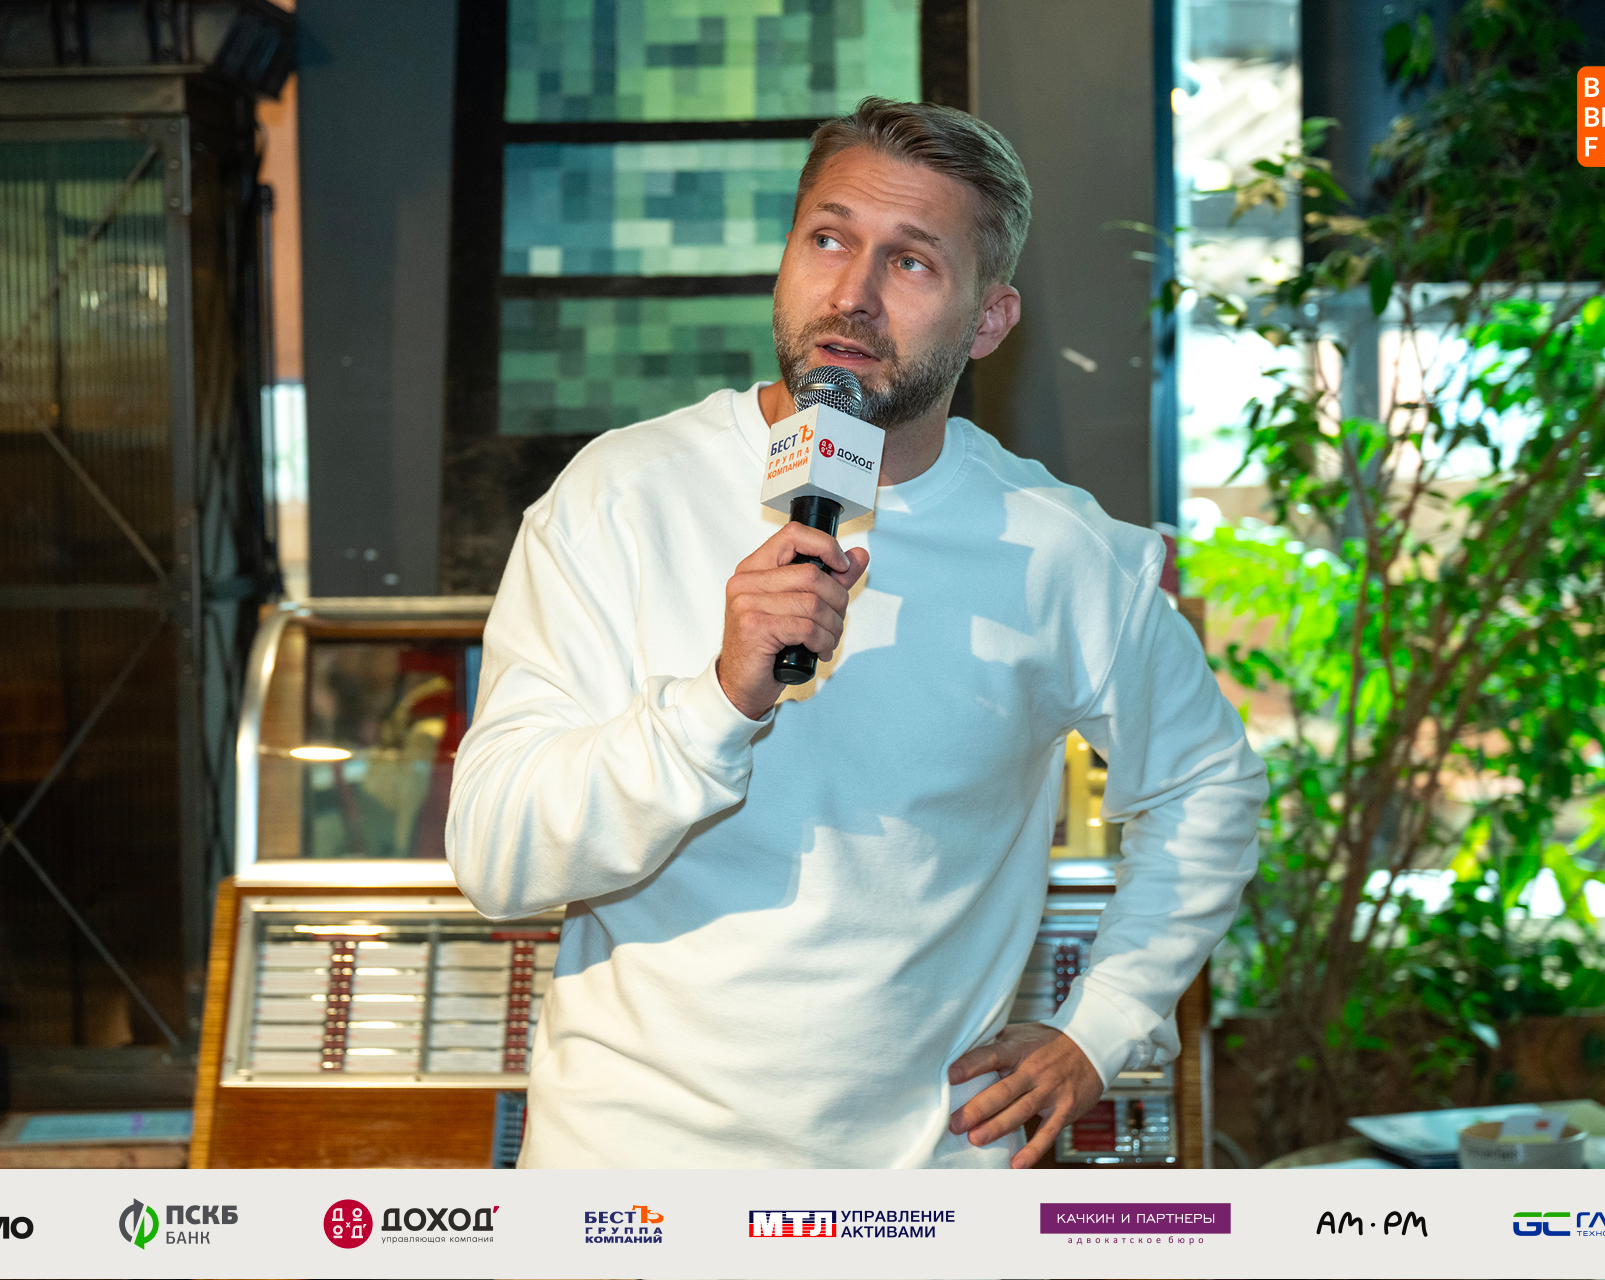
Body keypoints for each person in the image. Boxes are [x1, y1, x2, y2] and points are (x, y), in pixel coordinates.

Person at [447, 97, 1266, 1169]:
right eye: (827, 240)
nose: (852, 294)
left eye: (911, 262)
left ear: (989, 321)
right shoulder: (621, 494)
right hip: (627, 1180)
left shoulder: (1061, 549)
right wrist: (717, 700)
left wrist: (1103, 1023)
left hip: (917, 1188)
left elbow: (1212, 788)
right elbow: (498, 858)